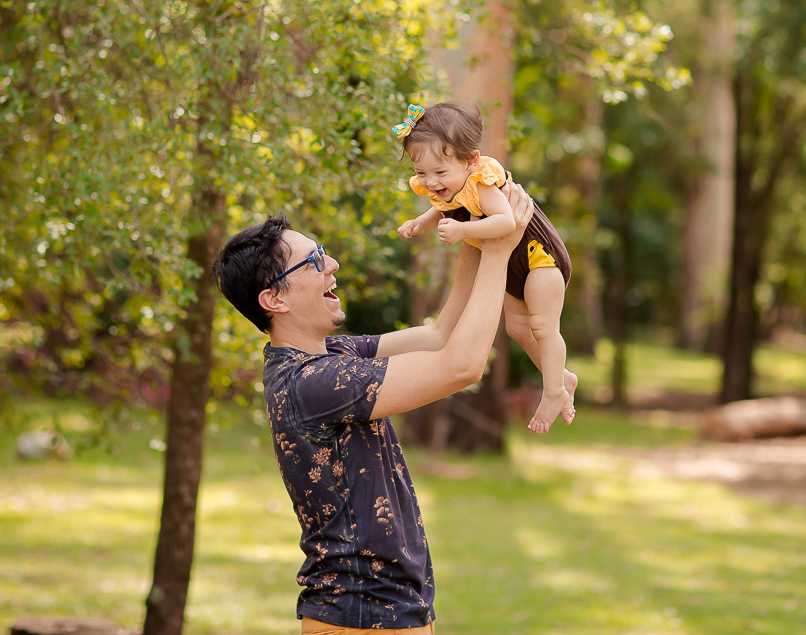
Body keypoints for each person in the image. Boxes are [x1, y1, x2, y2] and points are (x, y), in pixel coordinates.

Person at [211, 187, 533, 634]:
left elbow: (440, 334)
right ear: (274, 300)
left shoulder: (331, 357)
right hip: (364, 616)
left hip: (385, 612)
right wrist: (500, 251)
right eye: (314, 260)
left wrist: (473, 227)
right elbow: (461, 366)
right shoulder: (313, 383)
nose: (332, 264)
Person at [393, 102, 576, 434]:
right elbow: (444, 207)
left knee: (542, 326)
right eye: (422, 174)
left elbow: (505, 221)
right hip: (512, 263)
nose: (431, 182)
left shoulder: (481, 184)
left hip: (538, 257)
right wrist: (420, 223)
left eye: (439, 172)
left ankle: (552, 393)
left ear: (471, 161)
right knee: (517, 328)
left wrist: (463, 231)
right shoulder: (449, 185)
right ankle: (562, 377)